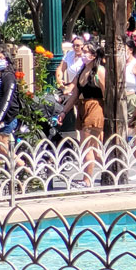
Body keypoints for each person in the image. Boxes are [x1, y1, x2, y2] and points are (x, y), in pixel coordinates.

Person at [57, 44, 106, 186]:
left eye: (86, 52)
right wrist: (64, 111)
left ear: (94, 55)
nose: (82, 55)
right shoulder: (82, 71)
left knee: (86, 146)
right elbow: (75, 94)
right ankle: (112, 171)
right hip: (83, 106)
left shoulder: (100, 71)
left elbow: (107, 93)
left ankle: (87, 180)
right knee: (95, 150)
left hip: (95, 107)